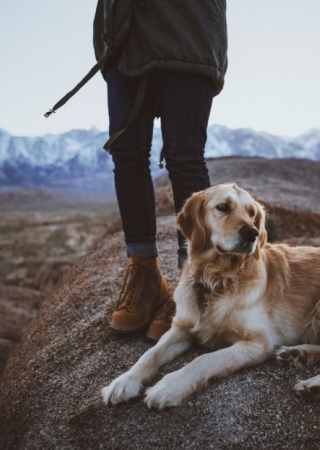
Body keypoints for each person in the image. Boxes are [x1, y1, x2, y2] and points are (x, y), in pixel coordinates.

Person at [92, 0, 228, 340]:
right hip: (125, 29)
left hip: (187, 26)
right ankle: (145, 273)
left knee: (184, 155)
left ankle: (195, 280)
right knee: (126, 152)